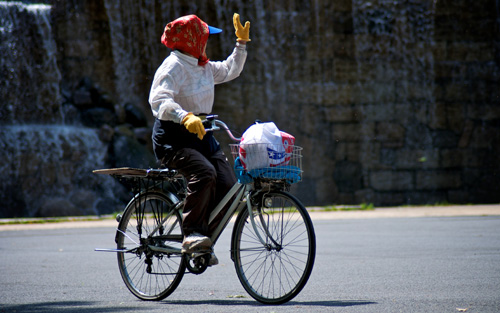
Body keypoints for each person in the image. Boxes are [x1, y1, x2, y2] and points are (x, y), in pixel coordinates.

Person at [149, 13, 251, 264]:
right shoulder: (173, 66)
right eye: (205, 38)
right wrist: (184, 116)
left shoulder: (202, 66)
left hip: (202, 136)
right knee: (205, 173)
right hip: (174, 140)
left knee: (229, 188)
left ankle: (204, 240)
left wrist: (241, 44)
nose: (207, 44)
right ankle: (192, 234)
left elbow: (230, 69)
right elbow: (159, 99)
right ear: (192, 41)